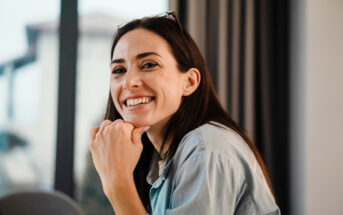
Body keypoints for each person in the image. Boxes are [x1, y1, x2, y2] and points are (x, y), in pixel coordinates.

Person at [89, 11, 281, 215]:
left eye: (148, 65)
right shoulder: (164, 163)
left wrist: (118, 183)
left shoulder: (205, 149)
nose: (129, 81)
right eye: (119, 70)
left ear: (189, 82)